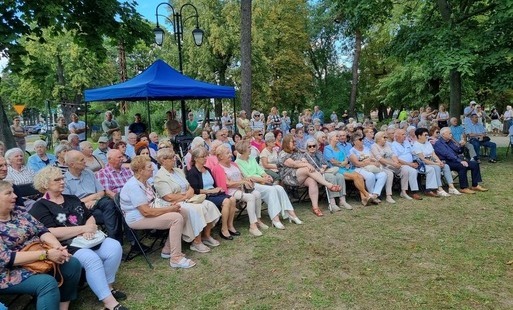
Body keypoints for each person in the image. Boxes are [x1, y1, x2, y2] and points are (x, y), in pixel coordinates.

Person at [29, 167, 128, 310]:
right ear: (45, 184)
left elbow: (89, 216)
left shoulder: (72, 199)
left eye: (62, 178)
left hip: (89, 238)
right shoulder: (40, 206)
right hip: (66, 245)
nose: (62, 182)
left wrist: (90, 228)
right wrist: (82, 229)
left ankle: (107, 286)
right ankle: (109, 303)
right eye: (57, 179)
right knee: (91, 258)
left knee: (114, 246)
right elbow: (50, 232)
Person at [0, 180, 81, 310]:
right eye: (8, 193)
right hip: (8, 272)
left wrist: (57, 247)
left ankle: (62, 306)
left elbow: (42, 230)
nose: (15, 196)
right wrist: (47, 254)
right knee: (46, 283)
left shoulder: (19, 211)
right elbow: (6, 258)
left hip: (39, 257)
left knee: (71, 263)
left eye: (14, 192)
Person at [120, 156, 196, 268]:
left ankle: (167, 249)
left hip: (147, 212)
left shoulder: (145, 182)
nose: (153, 169)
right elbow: (146, 212)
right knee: (176, 218)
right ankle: (176, 258)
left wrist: (170, 205)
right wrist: (169, 209)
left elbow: (154, 201)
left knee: (182, 211)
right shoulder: (134, 186)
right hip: (137, 219)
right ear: (141, 171)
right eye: (149, 167)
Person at [154, 148, 221, 252]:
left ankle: (206, 236)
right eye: (172, 157)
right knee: (196, 210)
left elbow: (189, 186)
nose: (174, 159)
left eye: (174, 156)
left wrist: (188, 193)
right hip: (174, 203)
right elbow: (168, 197)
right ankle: (196, 242)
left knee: (209, 205)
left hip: (188, 198)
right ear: (163, 160)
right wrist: (186, 196)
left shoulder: (178, 171)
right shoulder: (160, 176)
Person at [235, 141, 303, 228]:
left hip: (261, 181)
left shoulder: (251, 158)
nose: (251, 149)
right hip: (252, 185)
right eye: (248, 147)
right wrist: (264, 179)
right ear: (243, 150)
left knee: (279, 188)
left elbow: (260, 170)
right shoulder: (238, 162)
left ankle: (291, 214)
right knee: (272, 190)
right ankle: (275, 218)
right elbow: (248, 177)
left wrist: (267, 176)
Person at [63, 150, 124, 244]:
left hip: (98, 202)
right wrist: (89, 200)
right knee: (115, 211)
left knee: (109, 203)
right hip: (81, 209)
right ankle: (117, 241)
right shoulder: (64, 181)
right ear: (72, 164)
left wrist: (94, 199)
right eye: (81, 160)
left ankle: (114, 241)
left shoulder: (89, 173)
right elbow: (71, 203)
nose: (85, 161)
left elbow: (101, 192)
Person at [278, 134, 341, 217]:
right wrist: (305, 164)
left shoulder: (297, 151)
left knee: (312, 181)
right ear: (286, 143)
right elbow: (293, 164)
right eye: (293, 142)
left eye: (295, 141)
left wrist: (303, 163)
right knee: (307, 169)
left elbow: (303, 160)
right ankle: (329, 185)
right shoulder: (283, 154)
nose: (295, 143)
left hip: (301, 175)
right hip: (289, 177)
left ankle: (315, 207)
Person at [211, 145, 267, 237]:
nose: (230, 154)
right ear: (220, 156)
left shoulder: (234, 164)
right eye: (227, 153)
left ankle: (258, 220)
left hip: (241, 189)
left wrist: (247, 181)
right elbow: (227, 184)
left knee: (257, 193)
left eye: (230, 152)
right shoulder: (218, 168)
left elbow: (242, 177)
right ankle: (252, 226)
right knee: (250, 197)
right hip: (229, 192)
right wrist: (242, 182)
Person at [186, 147, 237, 241]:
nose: (205, 158)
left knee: (233, 199)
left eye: (206, 156)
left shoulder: (207, 170)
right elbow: (195, 190)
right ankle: (224, 229)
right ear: (196, 158)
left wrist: (217, 189)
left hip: (214, 193)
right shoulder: (192, 172)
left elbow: (213, 184)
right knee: (226, 201)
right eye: (202, 157)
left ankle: (230, 225)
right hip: (205, 196)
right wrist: (210, 191)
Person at [324, 131, 373, 206]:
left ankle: (364, 199)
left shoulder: (339, 147)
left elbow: (346, 157)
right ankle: (367, 194)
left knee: (360, 176)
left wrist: (345, 162)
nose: (338, 137)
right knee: (355, 177)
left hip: (345, 167)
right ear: (331, 138)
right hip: (336, 169)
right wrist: (342, 164)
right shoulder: (327, 148)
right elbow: (332, 161)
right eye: (336, 136)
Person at [434, 128, 488, 194]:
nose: (451, 135)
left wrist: (462, 146)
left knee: (474, 164)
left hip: (455, 160)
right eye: (449, 133)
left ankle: (475, 185)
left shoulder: (450, 141)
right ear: (443, 134)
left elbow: (458, 151)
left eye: (451, 133)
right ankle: (463, 187)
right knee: (462, 166)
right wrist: (460, 161)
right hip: (446, 162)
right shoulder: (439, 144)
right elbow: (448, 155)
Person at [304, 137, 353, 210]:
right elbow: (308, 169)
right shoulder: (305, 155)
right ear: (307, 147)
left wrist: (324, 167)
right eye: (310, 146)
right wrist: (319, 170)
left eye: (314, 146)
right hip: (316, 174)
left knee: (340, 176)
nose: (312, 147)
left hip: (325, 170)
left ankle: (342, 200)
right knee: (331, 177)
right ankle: (332, 202)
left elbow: (325, 163)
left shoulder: (319, 153)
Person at [391, 129, 439, 198]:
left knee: (430, 169)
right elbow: (397, 159)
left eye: (405, 134)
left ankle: (429, 189)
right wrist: (409, 164)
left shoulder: (406, 142)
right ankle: (414, 192)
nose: (405, 136)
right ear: (396, 136)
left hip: (413, 163)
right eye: (403, 134)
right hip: (403, 165)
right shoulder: (393, 145)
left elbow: (413, 153)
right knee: (413, 171)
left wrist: (417, 161)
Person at [412, 128, 459, 196]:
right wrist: (436, 164)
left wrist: (440, 162)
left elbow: (433, 154)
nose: (427, 136)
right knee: (436, 167)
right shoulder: (416, 145)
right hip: (422, 164)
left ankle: (451, 187)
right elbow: (423, 160)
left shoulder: (428, 143)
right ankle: (439, 188)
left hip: (431, 162)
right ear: (419, 136)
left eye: (427, 135)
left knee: (445, 166)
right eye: (425, 135)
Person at [371, 131, 413, 201]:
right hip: (381, 166)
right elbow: (380, 159)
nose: (386, 139)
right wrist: (393, 164)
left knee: (404, 169)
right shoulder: (374, 146)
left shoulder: (387, 144)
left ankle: (403, 192)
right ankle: (388, 195)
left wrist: (396, 162)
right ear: (378, 138)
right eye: (384, 137)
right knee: (389, 174)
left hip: (391, 164)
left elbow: (393, 154)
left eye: (386, 137)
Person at [348, 133, 387, 203]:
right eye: (360, 139)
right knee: (370, 176)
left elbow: (373, 159)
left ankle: (375, 194)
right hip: (358, 169)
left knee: (383, 175)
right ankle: (371, 195)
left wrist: (370, 162)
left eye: (362, 139)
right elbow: (357, 164)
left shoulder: (366, 148)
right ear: (354, 142)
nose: (362, 140)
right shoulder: (352, 151)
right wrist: (368, 162)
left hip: (370, 167)